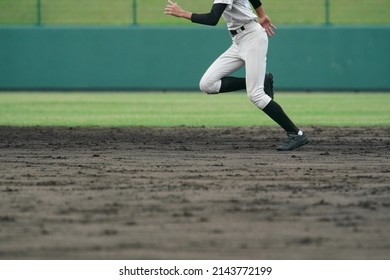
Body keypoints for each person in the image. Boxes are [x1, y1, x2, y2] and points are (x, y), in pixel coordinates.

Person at [164, 0, 308, 151]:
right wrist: (262, 15)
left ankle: (296, 134)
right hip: (238, 41)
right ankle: (263, 80)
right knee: (207, 84)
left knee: (256, 95)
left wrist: (182, 13)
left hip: (253, 39)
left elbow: (212, 19)